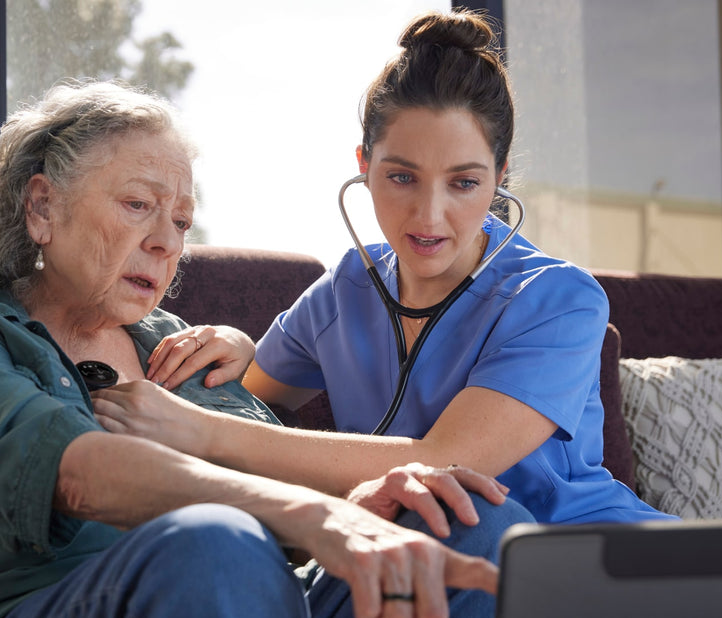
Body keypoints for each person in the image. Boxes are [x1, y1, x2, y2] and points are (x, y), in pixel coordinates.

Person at [0, 79, 531, 618]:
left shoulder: (182, 348)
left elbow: (276, 498)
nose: (166, 242)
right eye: (138, 204)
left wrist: (369, 505)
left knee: (460, 518)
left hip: (249, 592)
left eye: (182, 221)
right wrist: (311, 514)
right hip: (36, 603)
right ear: (42, 207)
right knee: (218, 539)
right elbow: (75, 471)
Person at [96, 9, 674, 525]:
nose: (429, 214)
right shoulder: (347, 288)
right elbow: (250, 399)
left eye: (465, 183)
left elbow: (441, 464)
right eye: (401, 177)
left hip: (597, 563)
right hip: (428, 569)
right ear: (364, 166)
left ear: (500, 177)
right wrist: (240, 349)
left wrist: (206, 432)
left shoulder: (559, 299)